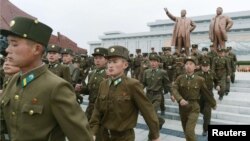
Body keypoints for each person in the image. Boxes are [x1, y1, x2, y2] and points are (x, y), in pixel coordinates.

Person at [0, 16, 92, 141]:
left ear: (36, 49)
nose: (7, 50)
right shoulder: (13, 80)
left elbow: (81, 137)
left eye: (14, 44)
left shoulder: (56, 87)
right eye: (9, 44)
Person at [89, 45, 160, 141]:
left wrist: (155, 135)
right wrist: (93, 132)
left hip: (124, 137)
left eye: (115, 61)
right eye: (109, 62)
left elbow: (147, 111)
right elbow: (97, 110)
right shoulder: (103, 84)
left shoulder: (132, 85)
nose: (110, 65)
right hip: (103, 135)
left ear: (125, 65)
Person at [172, 56, 216, 141]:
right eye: (187, 64)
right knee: (186, 132)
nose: (188, 66)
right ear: (184, 66)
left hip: (194, 107)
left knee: (189, 131)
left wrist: (213, 103)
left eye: (191, 64)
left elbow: (207, 93)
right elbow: (174, 88)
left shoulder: (199, 79)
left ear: (195, 67)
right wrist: (179, 99)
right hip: (183, 108)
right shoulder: (180, 78)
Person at [143, 53, 171, 125]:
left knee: (152, 111)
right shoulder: (146, 72)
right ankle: (159, 122)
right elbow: (143, 83)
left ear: (158, 62)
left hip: (157, 95)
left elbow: (168, 84)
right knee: (147, 113)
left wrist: (172, 94)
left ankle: (154, 129)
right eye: (151, 61)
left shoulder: (162, 72)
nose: (153, 63)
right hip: (148, 95)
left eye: (155, 61)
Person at [195, 60, 219, 136]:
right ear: (201, 67)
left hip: (209, 96)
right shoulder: (197, 74)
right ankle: (205, 116)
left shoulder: (212, 73)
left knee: (207, 113)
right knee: (201, 110)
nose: (205, 68)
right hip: (199, 96)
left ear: (209, 66)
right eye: (204, 66)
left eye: (207, 66)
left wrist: (217, 85)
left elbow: (216, 81)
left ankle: (205, 129)